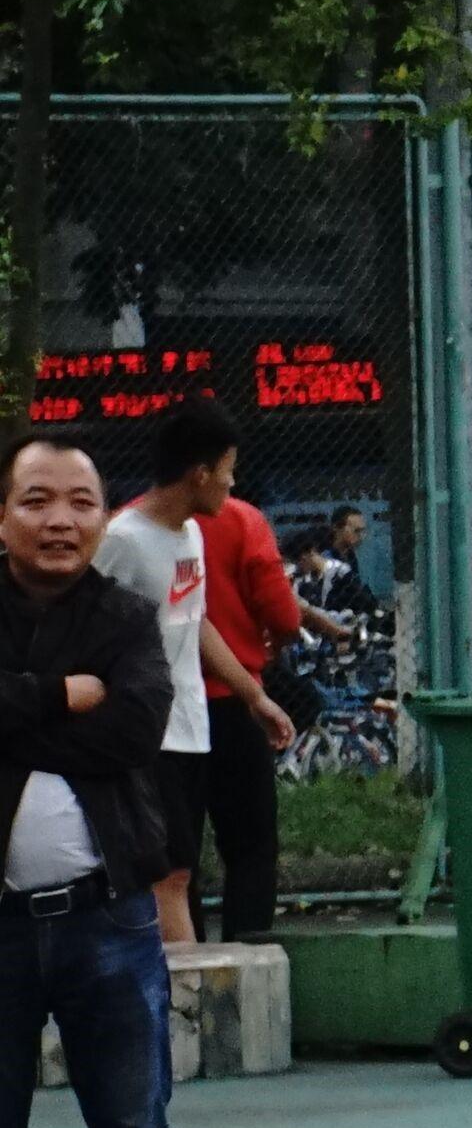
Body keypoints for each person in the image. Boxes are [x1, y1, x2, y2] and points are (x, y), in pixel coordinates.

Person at [0, 436, 195, 1128]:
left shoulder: (124, 616)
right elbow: (89, 721)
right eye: (37, 499)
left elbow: (133, 728)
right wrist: (57, 696)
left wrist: (18, 720)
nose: (61, 519)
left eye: (81, 501)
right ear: (4, 516)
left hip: (108, 924)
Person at [99, 399, 283, 945]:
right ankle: (183, 987)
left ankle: (185, 982)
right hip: (147, 732)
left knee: (180, 870)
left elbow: (195, 621)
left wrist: (255, 697)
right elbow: (84, 627)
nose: (233, 482)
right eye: (229, 469)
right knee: (170, 874)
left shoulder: (191, 534)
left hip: (191, 726)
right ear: (200, 473)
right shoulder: (122, 540)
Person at [194, 461, 302, 943]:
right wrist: (275, 641)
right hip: (235, 701)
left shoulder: (131, 524)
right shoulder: (241, 520)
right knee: (251, 847)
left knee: (174, 856)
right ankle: (247, 956)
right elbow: (283, 613)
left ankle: (182, 960)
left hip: (164, 706)